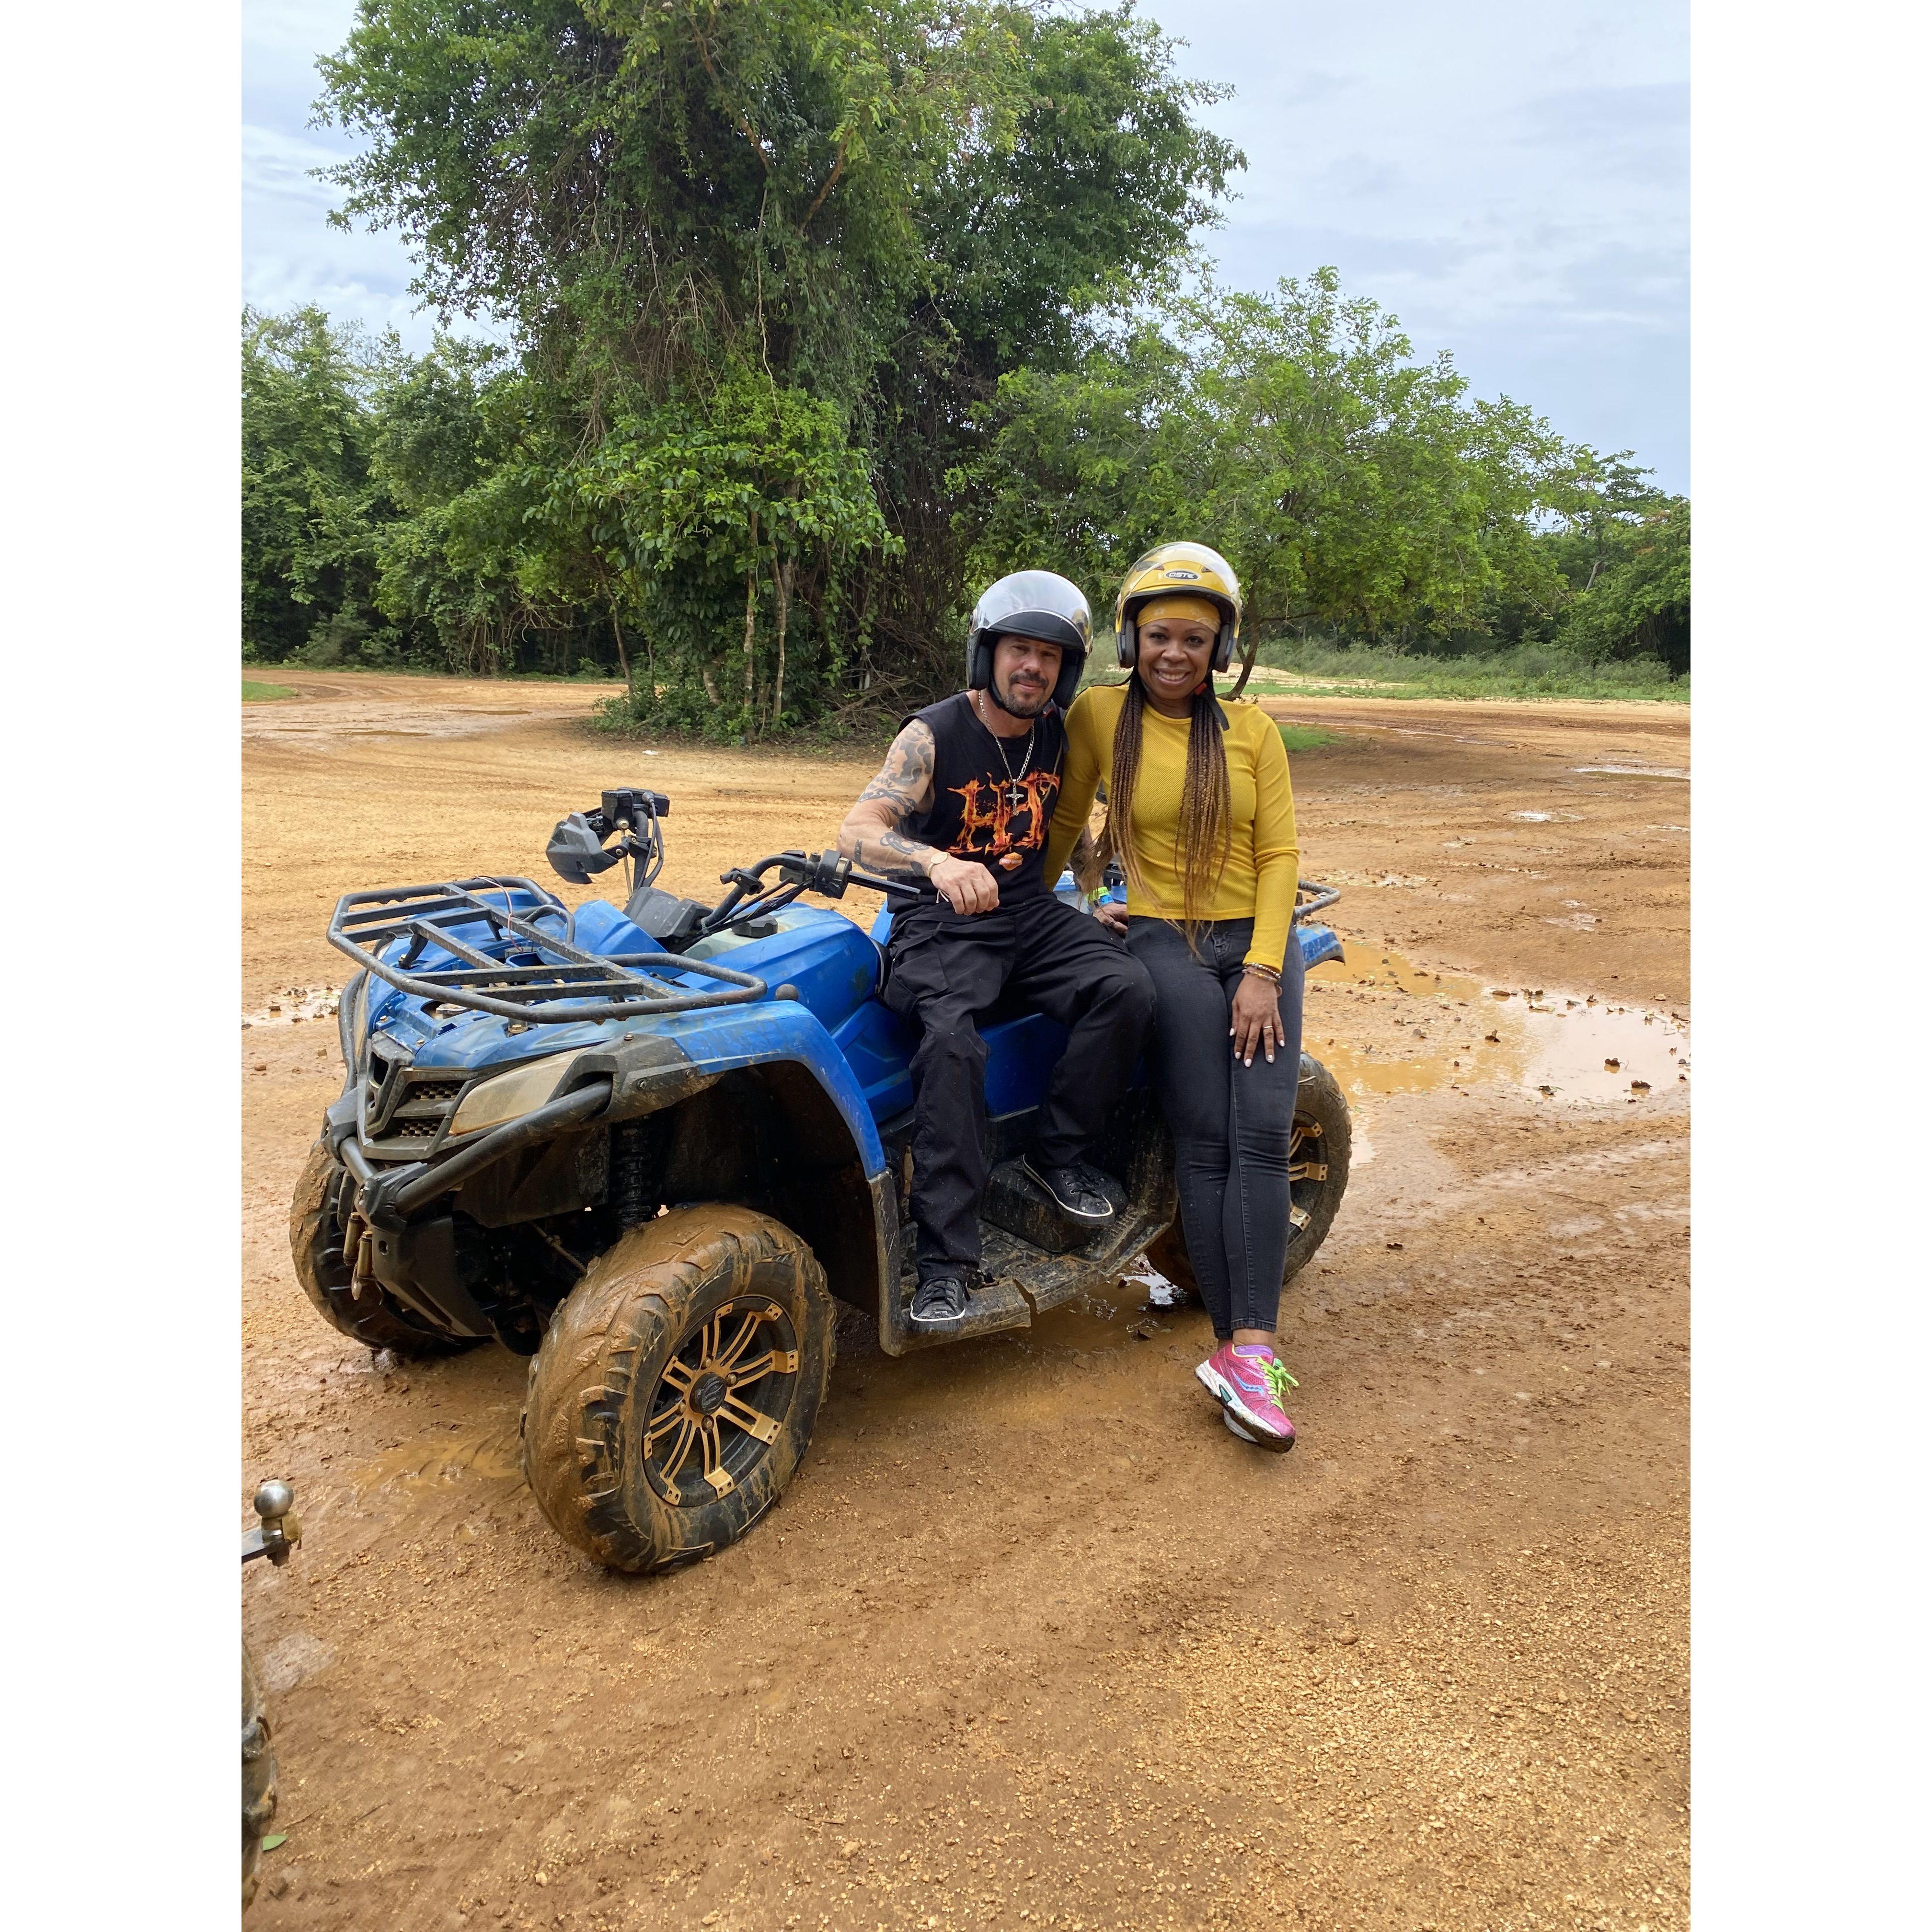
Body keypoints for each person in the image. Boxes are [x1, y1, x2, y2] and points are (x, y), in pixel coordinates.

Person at [838, 571, 1157, 1331]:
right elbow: (856, 830)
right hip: (938, 921)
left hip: (1030, 913)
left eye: (1049, 658)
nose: (1033, 669)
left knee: (1130, 988)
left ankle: (1056, 1155)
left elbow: (1070, 819)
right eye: (1020, 651)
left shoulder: (1057, 729)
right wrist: (938, 863)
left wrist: (1095, 893)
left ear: (1065, 670)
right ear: (989, 654)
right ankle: (945, 1264)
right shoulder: (933, 733)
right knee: (951, 1045)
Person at [1043, 543, 1306, 1450]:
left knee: (1262, 1136)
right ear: (1131, 637)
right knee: (1204, 1136)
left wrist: (1266, 972)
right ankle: (1240, 1351)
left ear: (1220, 649)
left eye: (1197, 639)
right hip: (1165, 939)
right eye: (1160, 635)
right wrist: (1057, 910)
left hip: (1257, 947)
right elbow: (1069, 825)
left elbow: (1280, 858)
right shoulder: (1097, 718)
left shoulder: (1254, 733)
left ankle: (1249, 1347)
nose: (1175, 654)